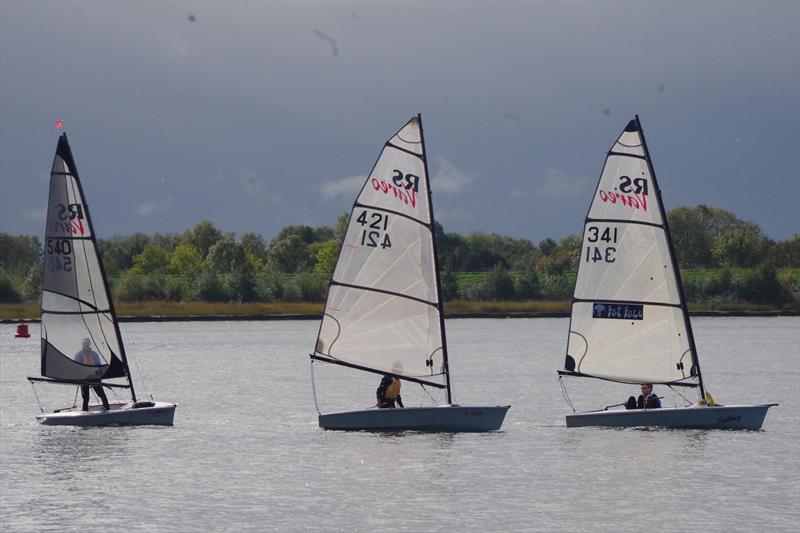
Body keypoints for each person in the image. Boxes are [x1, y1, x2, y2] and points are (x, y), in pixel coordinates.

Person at [74, 338, 109, 411]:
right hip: (84, 378)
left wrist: (99, 377)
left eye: (87, 344)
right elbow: (76, 367)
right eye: (84, 344)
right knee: (86, 397)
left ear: (89, 345)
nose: (86, 345)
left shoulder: (94, 354)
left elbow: (99, 365)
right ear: (82, 345)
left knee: (101, 394)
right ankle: (85, 411)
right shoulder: (78, 355)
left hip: (94, 378)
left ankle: (107, 408)